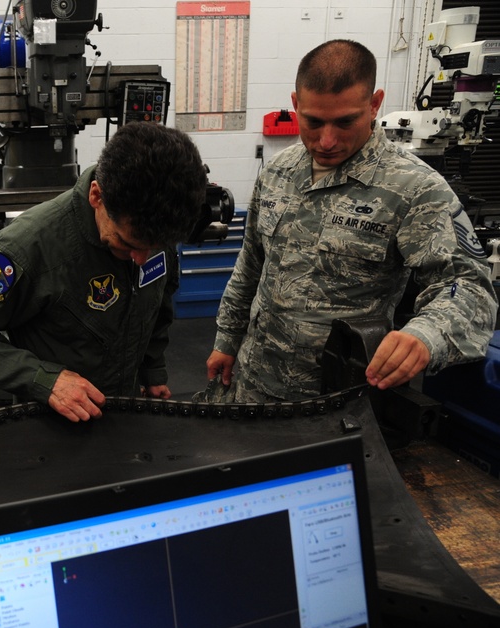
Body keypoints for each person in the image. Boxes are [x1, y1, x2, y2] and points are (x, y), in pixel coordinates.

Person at [202, 39, 497, 403]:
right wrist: (227, 340)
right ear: (296, 105)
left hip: (336, 401)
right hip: (253, 383)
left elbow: (469, 287)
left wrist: (426, 334)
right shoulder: (278, 172)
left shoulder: (415, 189)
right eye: (312, 121)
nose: (326, 140)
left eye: (345, 122)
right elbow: (250, 265)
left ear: (374, 105)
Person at [0, 122, 208, 422]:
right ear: (96, 196)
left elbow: (157, 304)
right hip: (52, 420)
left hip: (125, 408)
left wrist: (152, 370)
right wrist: (45, 380)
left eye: (154, 248)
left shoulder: (156, 227)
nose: (141, 259)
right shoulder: (30, 248)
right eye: (127, 243)